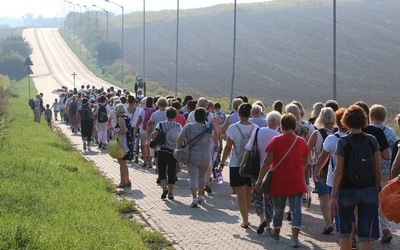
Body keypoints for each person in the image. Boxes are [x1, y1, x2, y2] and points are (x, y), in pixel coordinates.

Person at [330, 105, 381, 250]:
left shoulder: (343, 142)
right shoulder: (372, 140)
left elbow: (338, 171)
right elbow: (377, 170)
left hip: (347, 190)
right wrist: (375, 189)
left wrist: (333, 196)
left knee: (345, 232)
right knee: (365, 234)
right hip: (368, 190)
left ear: (346, 121)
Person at [255, 113, 308, 248]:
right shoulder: (302, 142)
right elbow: (305, 162)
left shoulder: (275, 140)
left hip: (279, 179)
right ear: (295, 126)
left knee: (278, 207)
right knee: (296, 209)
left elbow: (267, 162)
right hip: (296, 179)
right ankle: (295, 238)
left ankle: (276, 231)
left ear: (281, 125)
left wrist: (260, 179)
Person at [219, 103, 258, 228]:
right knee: (248, 191)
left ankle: (245, 220)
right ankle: (247, 214)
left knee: (240, 193)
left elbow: (228, 148)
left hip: (236, 163)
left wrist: (222, 162)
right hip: (251, 164)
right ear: (250, 114)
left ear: (238, 114)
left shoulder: (233, 128)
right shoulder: (256, 128)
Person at [242, 111, 281, 234]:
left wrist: (242, 164)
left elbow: (248, 149)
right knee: (269, 198)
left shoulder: (258, 131)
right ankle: (268, 224)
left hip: (256, 169)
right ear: (278, 123)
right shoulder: (278, 135)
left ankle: (261, 218)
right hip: (271, 171)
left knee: (256, 194)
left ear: (267, 121)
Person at [315, 108, 347, 236]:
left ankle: (334, 225)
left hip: (333, 177)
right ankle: (348, 233)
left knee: (332, 201)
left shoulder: (332, 139)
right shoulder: (353, 137)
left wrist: (317, 171)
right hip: (350, 178)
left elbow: (323, 158)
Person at [307, 107, 337, 235]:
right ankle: (333, 220)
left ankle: (328, 223)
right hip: (336, 167)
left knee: (323, 197)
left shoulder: (316, 133)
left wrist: (309, 162)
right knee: (333, 196)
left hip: (320, 167)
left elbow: (307, 149)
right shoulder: (340, 132)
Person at [177, 108, 214, 207]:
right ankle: (200, 196)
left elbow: (179, 139)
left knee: (193, 177)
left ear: (194, 116)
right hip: (206, 156)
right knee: (202, 176)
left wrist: (179, 148)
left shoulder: (188, 127)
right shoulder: (209, 127)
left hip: (192, 156)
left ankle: (194, 198)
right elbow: (213, 137)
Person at [151, 107, 182, 200]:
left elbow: (154, 135)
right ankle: (171, 193)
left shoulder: (160, 124)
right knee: (172, 172)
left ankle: (164, 188)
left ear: (166, 115)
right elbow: (181, 137)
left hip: (162, 150)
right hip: (173, 151)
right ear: (175, 115)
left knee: (162, 170)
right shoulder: (178, 125)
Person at [113, 103, 134, 188]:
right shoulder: (127, 117)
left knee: (122, 162)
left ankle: (122, 182)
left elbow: (124, 130)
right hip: (128, 141)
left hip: (123, 142)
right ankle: (127, 181)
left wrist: (115, 130)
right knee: (124, 163)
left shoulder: (121, 118)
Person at [136, 97, 155, 168]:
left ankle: (145, 161)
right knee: (151, 146)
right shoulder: (154, 111)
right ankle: (150, 161)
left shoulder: (142, 111)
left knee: (143, 145)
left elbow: (139, 121)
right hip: (152, 131)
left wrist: (135, 129)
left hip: (143, 130)